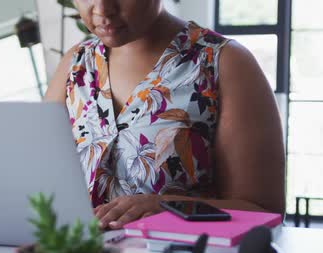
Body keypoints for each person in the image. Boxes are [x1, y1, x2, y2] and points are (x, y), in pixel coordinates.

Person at [45, 0, 285, 230]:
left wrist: (171, 208)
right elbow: (36, 185)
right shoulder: (76, 66)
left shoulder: (223, 63)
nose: (103, 9)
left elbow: (264, 212)